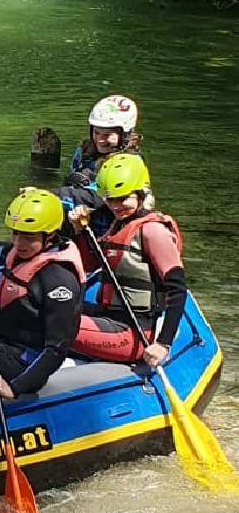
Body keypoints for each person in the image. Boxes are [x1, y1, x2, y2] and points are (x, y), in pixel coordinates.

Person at [0, 188, 86, 401]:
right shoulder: (24, 252)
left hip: (21, 362)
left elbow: (56, 349)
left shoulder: (59, 280)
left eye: (28, 237)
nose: (19, 242)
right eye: (15, 233)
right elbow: (2, 253)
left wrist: (16, 388)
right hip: (3, 336)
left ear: (50, 235)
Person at [69, 155, 186, 369]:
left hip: (134, 332)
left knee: (53, 324)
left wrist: (163, 344)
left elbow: (177, 290)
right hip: (109, 317)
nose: (116, 205)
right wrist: (79, 230)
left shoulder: (153, 231)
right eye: (110, 199)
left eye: (123, 198)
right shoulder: (118, 225)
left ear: (140, 194)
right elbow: (85, 265)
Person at [63, 94, 142, 206]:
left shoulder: (129, 162)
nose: (100, 140)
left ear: (125, 135)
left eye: (107, 135)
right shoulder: (83, 150)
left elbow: (104, 198)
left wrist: (58, 194)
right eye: (97, 133)